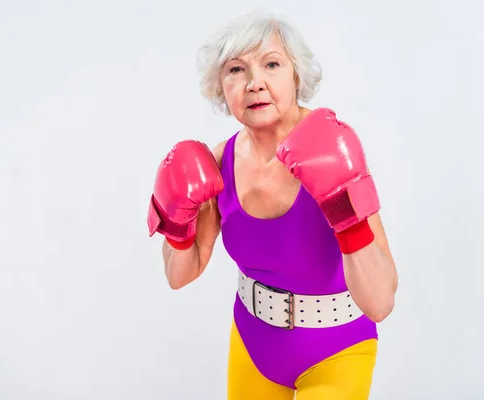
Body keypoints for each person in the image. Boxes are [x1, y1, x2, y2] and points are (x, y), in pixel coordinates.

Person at [147, 9, 398, 400]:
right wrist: (176, 223)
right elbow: (179, 275)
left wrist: (345, 214)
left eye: (271, 64)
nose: (254, 83)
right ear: (220, 87)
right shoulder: (218, 162)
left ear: (296, 75)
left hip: (337, 350)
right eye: (235, 70)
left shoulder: (333, 150)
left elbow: (381, 302)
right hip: (253, 343)